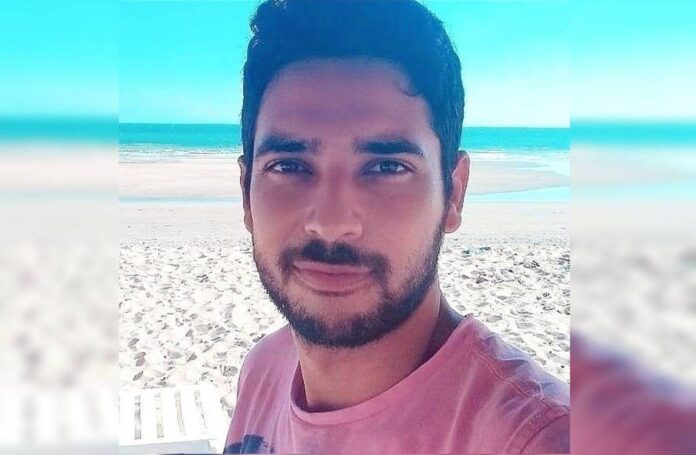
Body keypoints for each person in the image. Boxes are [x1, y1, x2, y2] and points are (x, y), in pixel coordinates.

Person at [224, 1, 569, 453]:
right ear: (246, 193)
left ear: (453, 194)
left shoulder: (535, 439)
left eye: (386, 167)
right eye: (289, 165)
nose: (331, 224)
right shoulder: (263, 371)